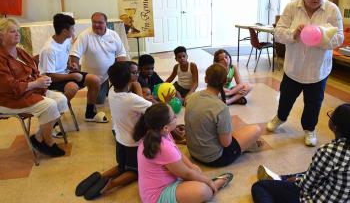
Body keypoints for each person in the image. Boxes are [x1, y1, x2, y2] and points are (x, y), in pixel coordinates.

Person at [267, 0, 344, 146]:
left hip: (318, 70)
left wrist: (320, 36)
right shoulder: (292, 7)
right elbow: (278, 33)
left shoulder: (332, 10)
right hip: (293, 68)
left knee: (313, 104)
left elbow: (339, 38)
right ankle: (280, 118)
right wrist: (293, 33)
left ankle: (310, 129)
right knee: (286, 98)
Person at [75, 62, 152, 200]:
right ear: (127, 77)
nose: (137, 74)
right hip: (132, 144)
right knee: (136, 172)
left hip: (119, 139)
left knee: (121, 167)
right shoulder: (132, 99)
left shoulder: (112, 91)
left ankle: (101, 176)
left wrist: (134, 85)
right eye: (134, 72)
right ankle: (110, 185)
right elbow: (157, 110)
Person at [133, 103, 234, 203]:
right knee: (203, 191)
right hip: (157, 196)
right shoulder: (163, 147)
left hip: (162, 184)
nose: (176, 117)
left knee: (196, 173)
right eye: (173, 117)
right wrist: (208, 181)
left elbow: (177, 153)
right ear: (165, 127)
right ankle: (214, 185)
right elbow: (186, 173)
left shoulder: (158, 133)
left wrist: (191, 165)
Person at [251, 103, 350, 203]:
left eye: (331, 114)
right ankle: (280, 179)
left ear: (336, 127)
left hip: (312, 198)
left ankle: (280, 180)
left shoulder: (329, 152)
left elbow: (306, 186)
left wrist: (295, 181)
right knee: (308, 172)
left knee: (260, 186)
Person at [0, 18, 67, 157]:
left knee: (61, 99)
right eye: (12, 31)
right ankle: (48, 142)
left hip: (29, 92)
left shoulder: (20, 52)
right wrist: (36, 83)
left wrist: (40, 79)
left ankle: (38, 137)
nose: (17, 34)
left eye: (18, 31)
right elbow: (9, 86)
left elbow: (34, 71)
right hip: (8, 99)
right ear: (1, 35)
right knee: (49, 105)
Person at [185, 63, 262, 167]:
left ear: (206, 79)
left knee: (229, 129)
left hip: (193, 153)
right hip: (214, 158)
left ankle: (245, 145)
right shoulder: (221, 108)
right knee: (255, 129)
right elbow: (226, 143)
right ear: (225, 81)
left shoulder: (191, 98)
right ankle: (246, 147)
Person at [38, 13, 106, 125]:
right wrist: (72, 75)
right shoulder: (49, 49)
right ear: (65, 31)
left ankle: (90, 114)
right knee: (72, 88)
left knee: (95, 80)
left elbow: (65, 58)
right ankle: (52, 122)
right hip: (51, 81)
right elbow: (50, 76)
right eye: (72, 29)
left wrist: (70, 65)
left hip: (65, 73)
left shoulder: (65, 40)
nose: (74, 31)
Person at [69, 12, 127, 106]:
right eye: (94, 22)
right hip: (92, 76)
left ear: (105, 23)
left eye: (100, 22)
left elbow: (121, 54)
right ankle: (105, 90)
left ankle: (109, 88)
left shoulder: (113, 35)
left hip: (111, 73)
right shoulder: (84, 35)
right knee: (99, 101)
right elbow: (75, 54)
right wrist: (75, 70)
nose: (96, 25)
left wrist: (120, 74)